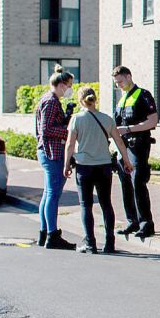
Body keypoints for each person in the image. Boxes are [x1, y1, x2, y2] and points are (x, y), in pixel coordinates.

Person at [63, 86, 133, 254]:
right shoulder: (107, 119)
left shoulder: (76, 119)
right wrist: (126, 161)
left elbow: (70, 144)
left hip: (84, 167)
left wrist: (66, 165)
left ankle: (90, 243)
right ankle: (110, 243)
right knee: (106, 204)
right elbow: (119, 141)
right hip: (104, 167)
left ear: (81, 100)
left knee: (85, 206)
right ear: (95, 99)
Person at [111, 66, 159, 239]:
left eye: (120, 82)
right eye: (116, 83)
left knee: (137, 181)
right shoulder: (122, 98)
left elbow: (153, 121)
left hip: (138, 145)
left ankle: (146, 223)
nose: (118, 86)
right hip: (123, 147)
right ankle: (132, 221)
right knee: (125, 183)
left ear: (129, 76)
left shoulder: (143, 95)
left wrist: (129, 129)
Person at [35, 65, 77, 250]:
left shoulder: (48, 99)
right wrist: (68, 131)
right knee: (53, 193)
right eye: (68, 86)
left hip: (47, 151)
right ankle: (52, 235)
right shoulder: (51, 102)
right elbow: (47, 129)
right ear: (61, 85)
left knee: (47, 193)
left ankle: (44, 232)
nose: (69, 90)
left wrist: (65, 116)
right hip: (52, 152)